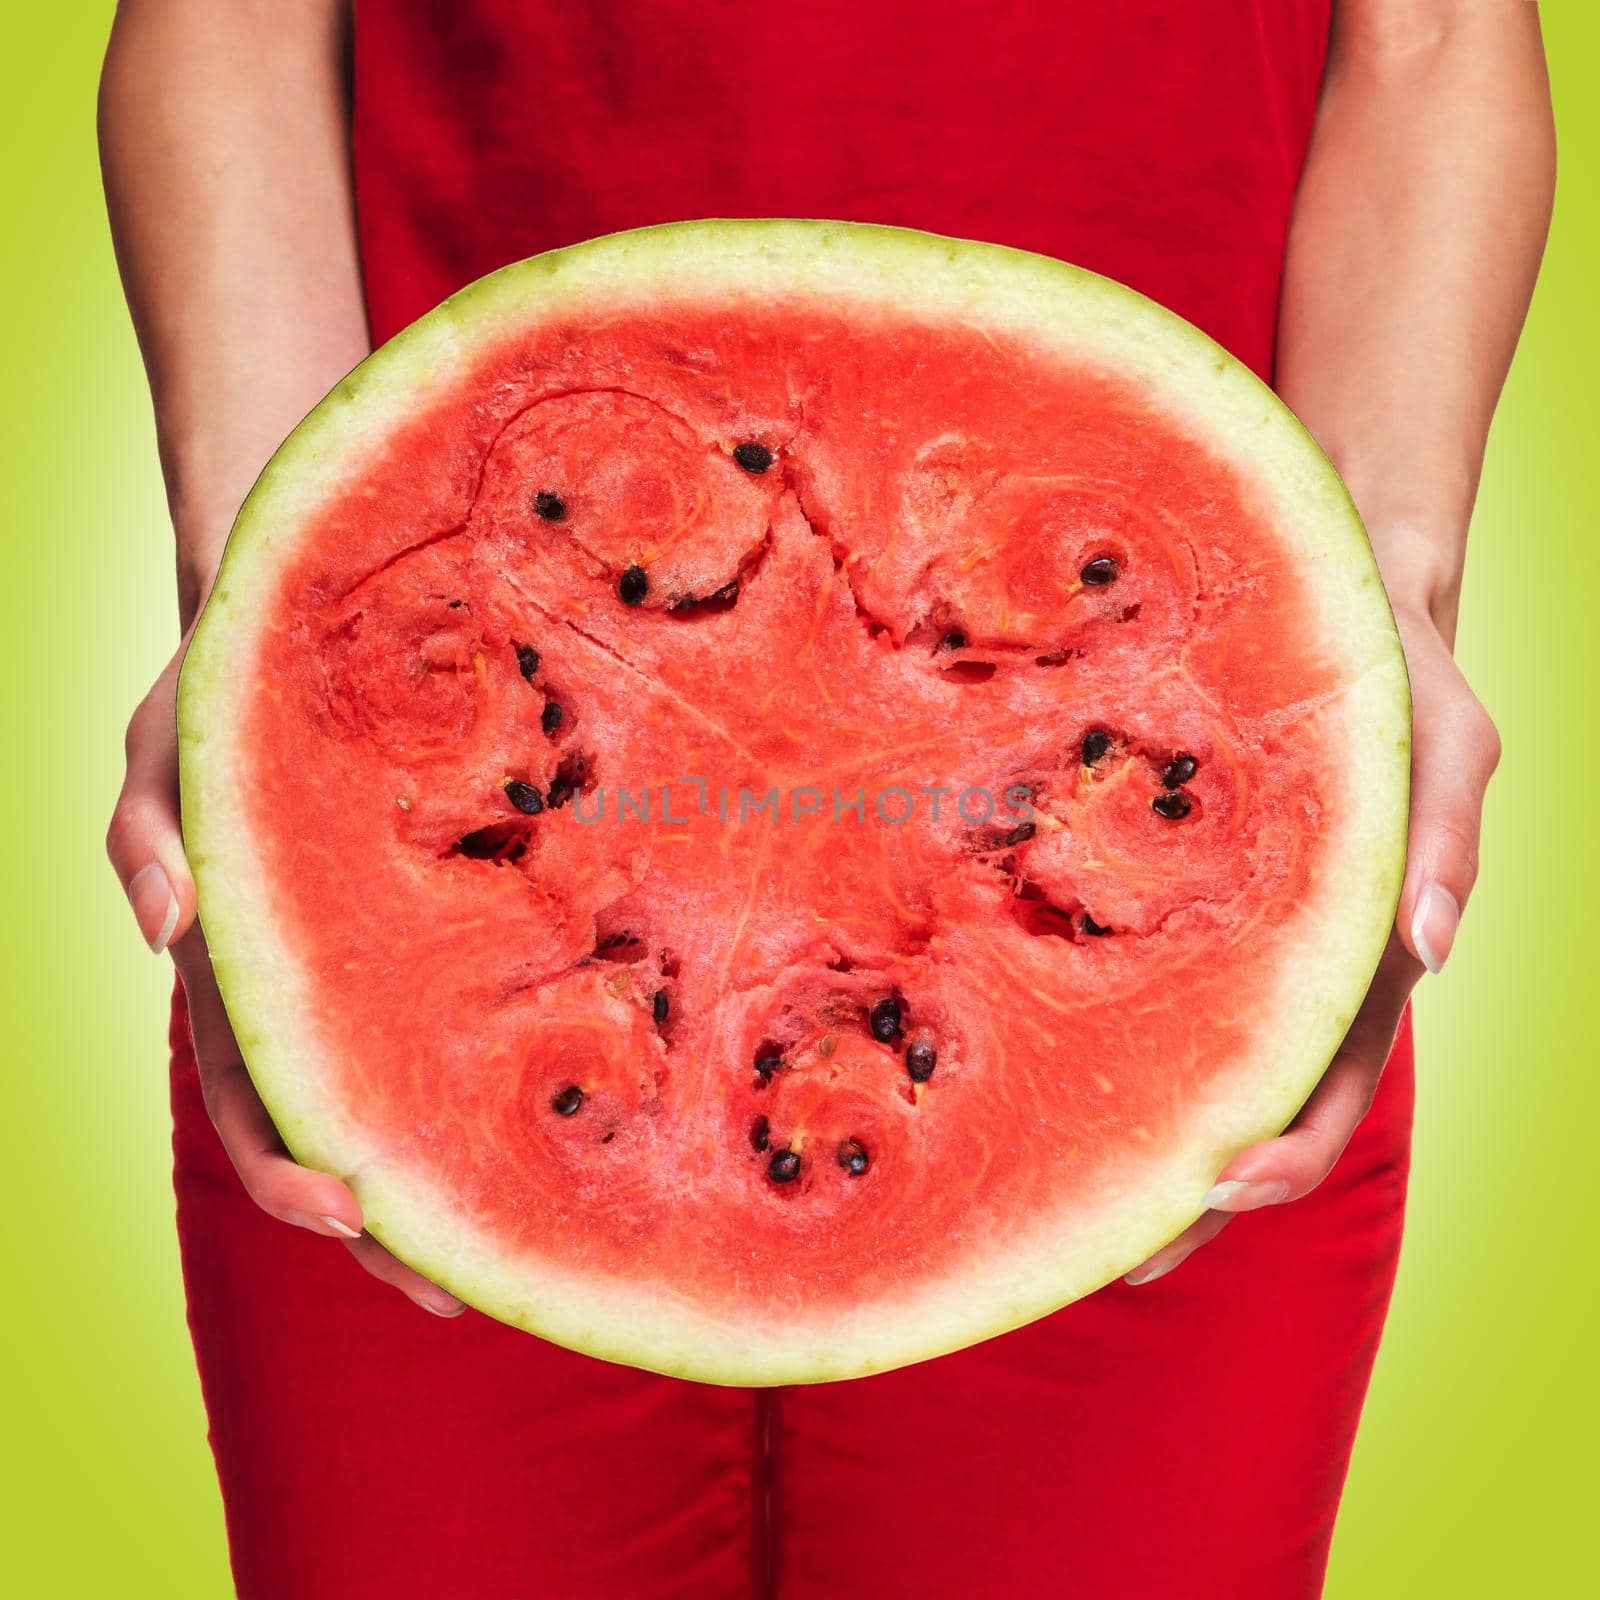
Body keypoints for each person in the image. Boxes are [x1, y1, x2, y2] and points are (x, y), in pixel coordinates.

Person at [100, 3, 1553, 1595]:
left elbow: (1430, 41)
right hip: (448, 882)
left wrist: (1379, 607)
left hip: (1146, 912)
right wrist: (266, 584)